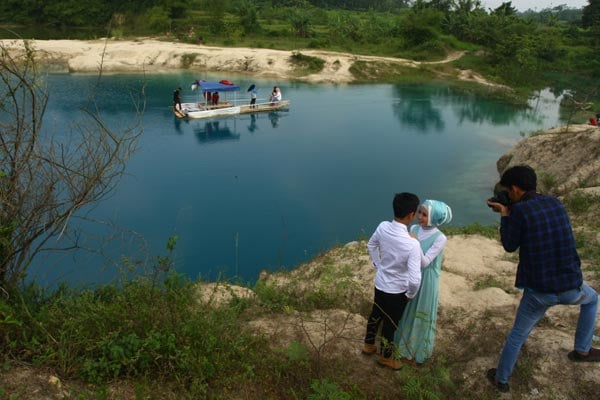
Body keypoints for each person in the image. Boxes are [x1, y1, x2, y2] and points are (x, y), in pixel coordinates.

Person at [486, 165, 599, 393]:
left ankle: (501, 379)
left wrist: (505, 214)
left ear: (516, 189)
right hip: (571, 286)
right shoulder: (556, 203)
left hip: (539, 292)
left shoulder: (518, 212)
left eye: (509, 191)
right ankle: (582, 350)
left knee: (518, 333)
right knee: (593, 299)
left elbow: (509, 245)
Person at [363, 192, 422, 370]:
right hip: (397, 291)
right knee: (390, 324)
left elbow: (371, 245)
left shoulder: (382, 227)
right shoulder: (412, 244)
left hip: (380, 284)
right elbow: (415, 278)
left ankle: (368, 344)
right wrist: (410, 294)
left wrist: (378, 264)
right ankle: (386, 358)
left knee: (375, 314)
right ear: (411, 215)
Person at [394, 199, 452, 364]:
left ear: (434, 218)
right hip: (410, 275)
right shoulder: (414, 228)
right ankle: (401, 342)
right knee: (406, 308)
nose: (419, 216)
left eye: (425, 214)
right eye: (420, 212)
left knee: (421, 310)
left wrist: (415, 242)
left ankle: (415, 348)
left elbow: (425, 262)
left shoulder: (440, 238)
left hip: (426, 279)